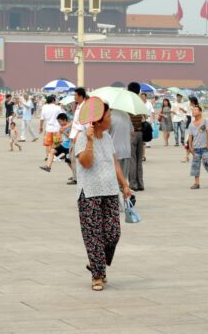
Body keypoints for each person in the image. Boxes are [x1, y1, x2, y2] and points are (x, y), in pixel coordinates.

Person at [73, 100, 133, 291]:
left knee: (113, 233)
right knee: (94, 236)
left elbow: (113, 162)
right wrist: (90, 141)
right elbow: (86, 163)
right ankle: (98, 276)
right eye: (108, 116)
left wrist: (124, 185)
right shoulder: (82, 138)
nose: (110, 119)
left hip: (110, 191)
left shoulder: (107, 137)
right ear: (98, 120)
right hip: (90, 193)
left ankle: (95, 262)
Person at [187, 104, 208, 189]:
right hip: (195, 148)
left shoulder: (205, 121)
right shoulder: (191, 124)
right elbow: (190, 136)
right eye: (193, 110)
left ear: (200, 112)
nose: (193, 112)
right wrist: (190, 147)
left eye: (195, 110)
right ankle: (197, 183)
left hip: (204, 148)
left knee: (207, 163)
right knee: (195, 165)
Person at [127, 82, 146, 191]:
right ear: (138, 91)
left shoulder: (127, 102)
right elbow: (145, 116)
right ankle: (140, 183)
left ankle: (133, 183)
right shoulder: (140, 101)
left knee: (132, 160)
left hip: (131, 133)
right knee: (139, 160)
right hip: (140, 133)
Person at [107, 107, 132, 182]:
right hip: (126, 151)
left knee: (114, 180)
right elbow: (132, 132)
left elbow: (105, 134)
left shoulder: (109, 116)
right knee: (123, 179)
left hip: (114, 151)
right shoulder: (127, 115)